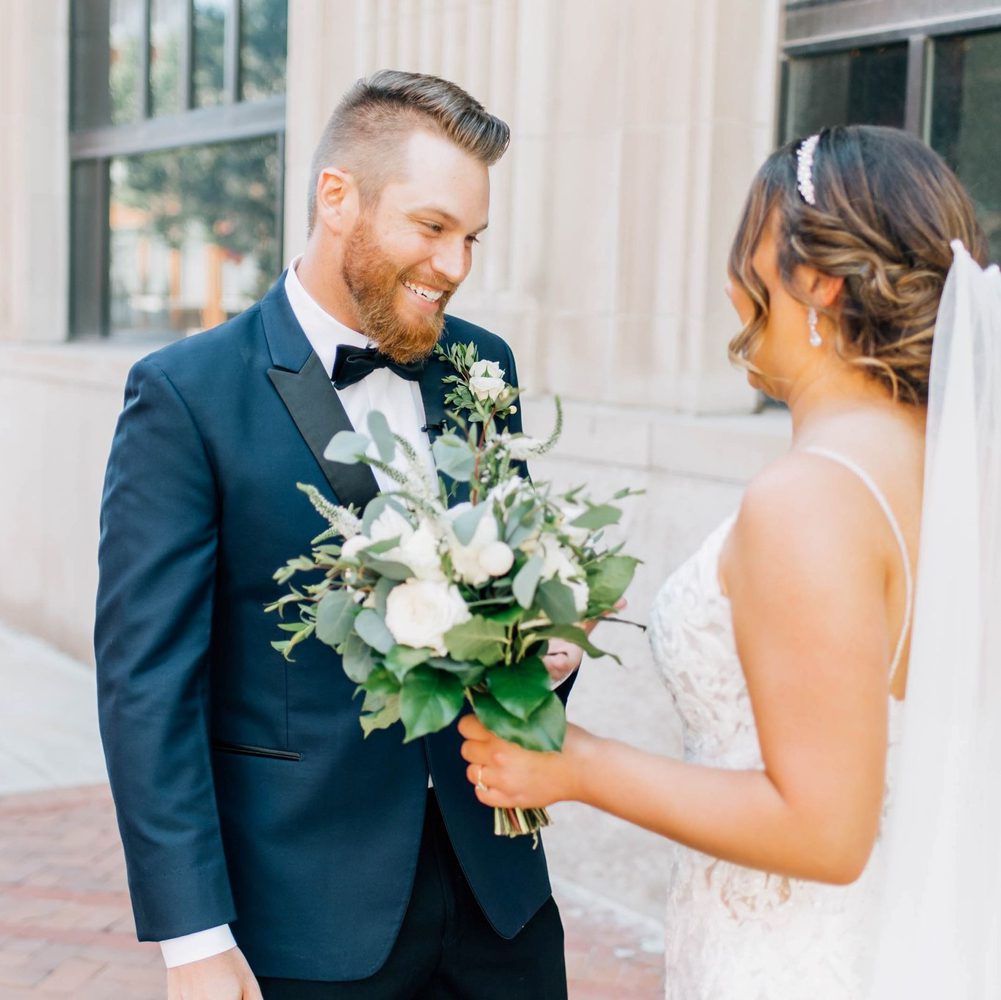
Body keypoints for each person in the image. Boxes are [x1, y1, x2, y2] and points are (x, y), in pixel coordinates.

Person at [459, 124, 1001, 997]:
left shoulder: (813, 494)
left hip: (791, 959)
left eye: (747, 247)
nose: (726, 281)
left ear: (817, 280)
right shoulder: (948, 474)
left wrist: (575, 764)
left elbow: (824, 830)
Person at [96, 70, 579, 1000]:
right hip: (303, 918)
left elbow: (508, 588)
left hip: (501, 904)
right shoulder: (186, 395)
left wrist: (543, 650)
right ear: (337, 199)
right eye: (432, 229)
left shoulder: (484, 366)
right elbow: (147, 684)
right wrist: (192, 937)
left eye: (472, 238)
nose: (456, 266)